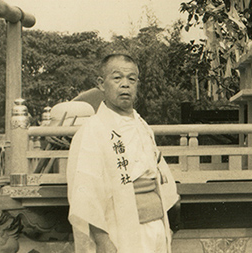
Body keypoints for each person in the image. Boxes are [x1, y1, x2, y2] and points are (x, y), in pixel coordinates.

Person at [67, 53, 178, 253]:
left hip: (156, 227)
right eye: (117, 78)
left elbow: (161, 181)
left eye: (131, 79)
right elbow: (85, 192)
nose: (125, 84)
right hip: (118, 230)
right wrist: (102, 241)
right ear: (101, 84)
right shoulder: (92, 130)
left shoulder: (143, 126)